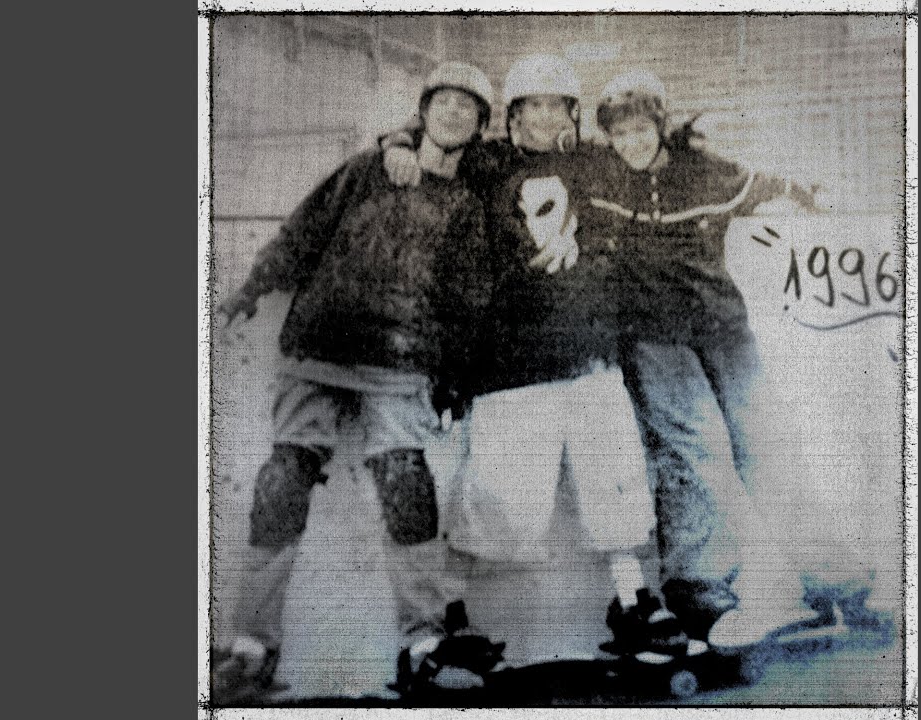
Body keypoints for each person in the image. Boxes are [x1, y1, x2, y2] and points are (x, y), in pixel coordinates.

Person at [380, 54, 697, 663]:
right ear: (514, 114)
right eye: (533, 106)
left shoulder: (593, 162)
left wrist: (682, 137)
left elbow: (650, 150)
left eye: (557, 106)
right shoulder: (487, 163)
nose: (545, 117)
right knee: (500, 501)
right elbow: (438, 134)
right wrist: (397, 140)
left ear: (572, 114)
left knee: (616, 484)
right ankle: (450, 610)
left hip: (589, 354)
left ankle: (632, 600)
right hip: (511, 364)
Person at [211, 61, 505, 702]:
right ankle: (250, 645)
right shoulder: (367, 168)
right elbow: (302, 232)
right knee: (284, 477)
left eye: (468, 107)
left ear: (481, 125)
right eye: (444, 101)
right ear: (422, 111)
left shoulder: (465, 202)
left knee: (406, 480)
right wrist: (250, 290)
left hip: (399, 361)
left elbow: (467, 298)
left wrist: (454, 378)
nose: (453, 112)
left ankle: (422, 644)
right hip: (319, 345)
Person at [581, 69, 892, 648]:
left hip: (723, 330)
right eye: (619, 133)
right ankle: (699, 591)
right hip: (655, 340)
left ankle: (837, 581)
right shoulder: (600, 176)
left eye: (641, 129)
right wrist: (403, 142)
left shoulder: (704, 170)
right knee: (692, 450)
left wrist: (818, 196)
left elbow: (775, 185)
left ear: (660, 126)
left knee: (766, 447)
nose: (631, 143)